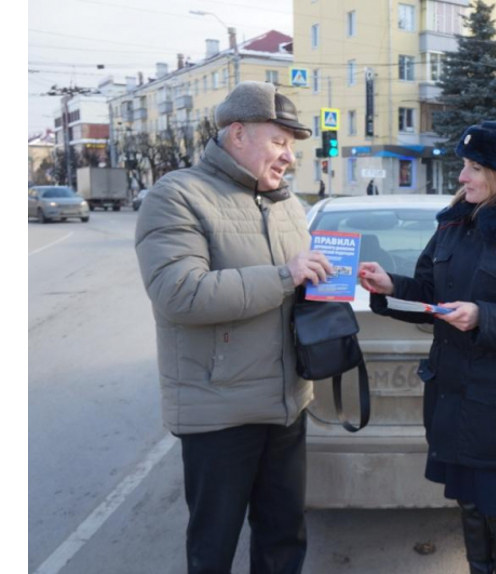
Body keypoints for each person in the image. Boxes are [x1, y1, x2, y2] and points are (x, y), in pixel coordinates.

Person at [134, 81, 333, 574]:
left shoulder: (287, 203)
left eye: (292, 145)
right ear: (238, 133)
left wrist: (334, 278)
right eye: (280, 141)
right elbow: (180, 293)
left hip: (287, 403)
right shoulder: (177, 195)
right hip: (219, 411)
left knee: (284, 538)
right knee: (214, 547)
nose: (289, 156)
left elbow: (294, 290)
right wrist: (287, 275)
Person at [359, 121, 496, 574]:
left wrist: (483, 316)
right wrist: (389, 285)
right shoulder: (455, 225)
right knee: (469, 501)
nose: (461, 176)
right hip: (450, 392)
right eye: (463, 165)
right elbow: (431, 296)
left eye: (473, 167)